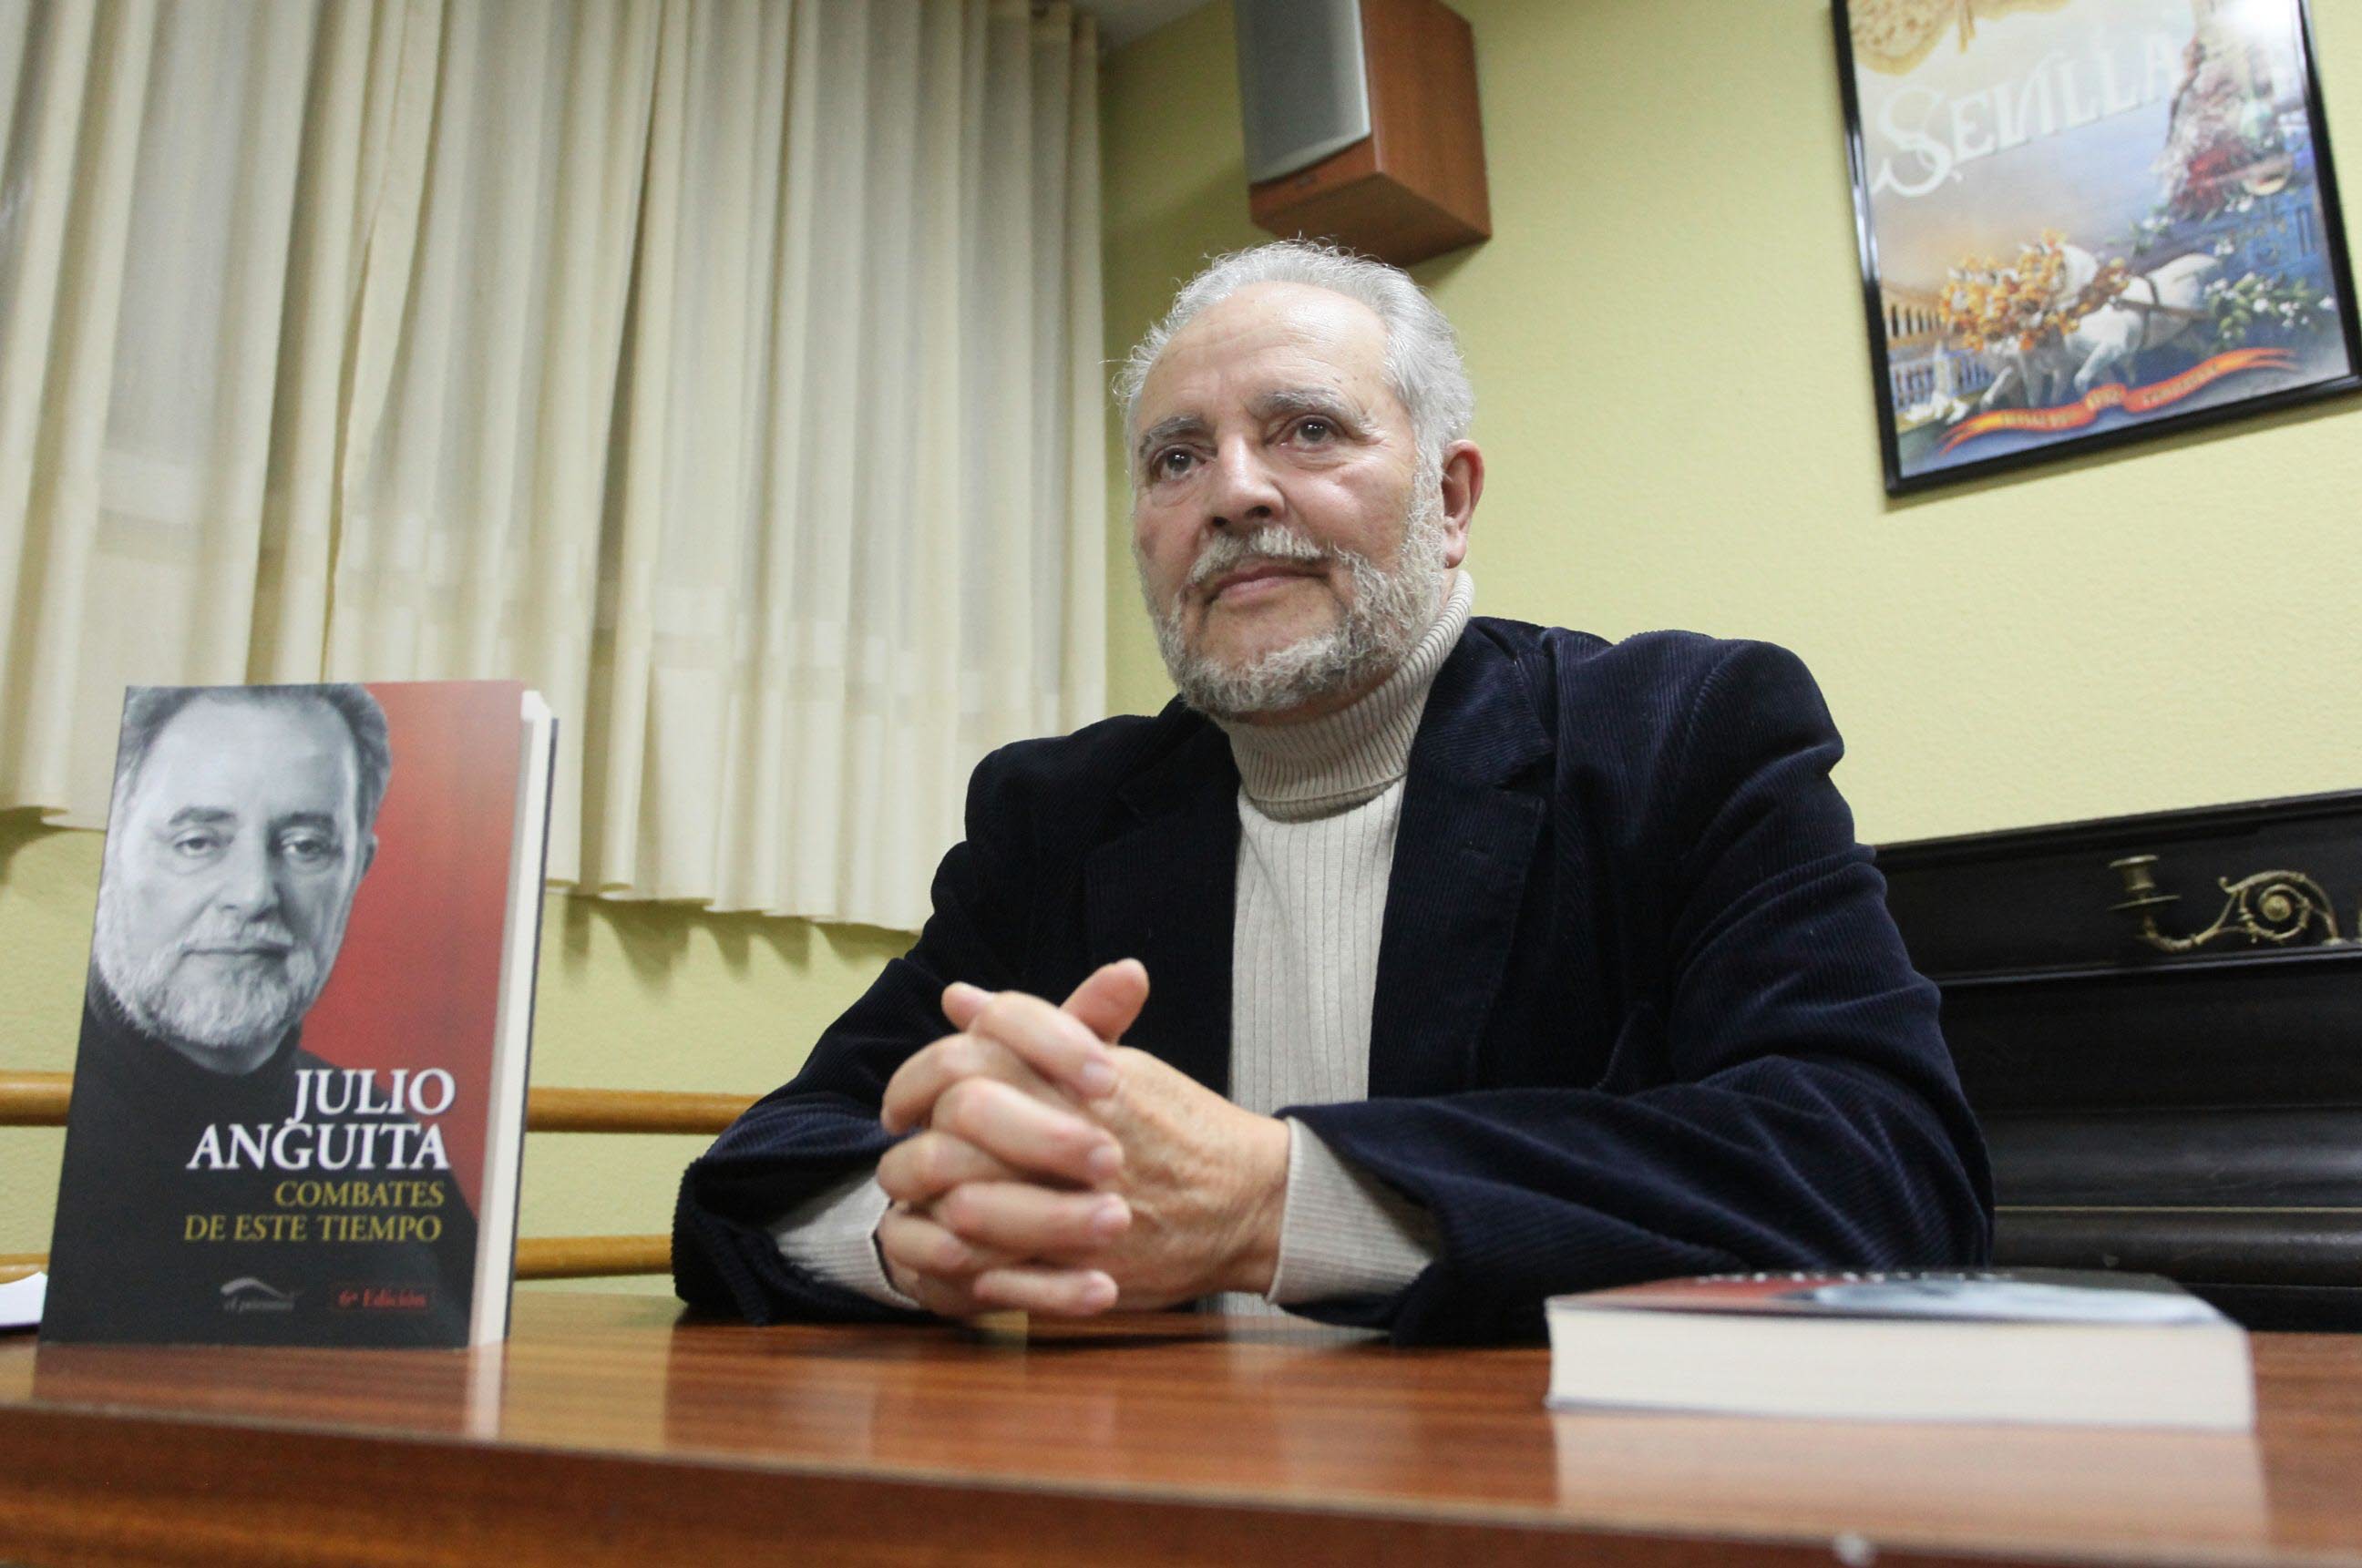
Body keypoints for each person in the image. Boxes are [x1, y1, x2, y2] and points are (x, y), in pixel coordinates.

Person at [673, 242, 1992, 1344]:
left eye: (1306, 429)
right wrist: (924, 1237)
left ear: (1450, 498)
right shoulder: (1055, 816)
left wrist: (1276, 1200)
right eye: (1176, 458)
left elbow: (1884, 1178)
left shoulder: (1686, 738)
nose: (1235, 491)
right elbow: (746, 1186)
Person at [43, 685, 477, 1344]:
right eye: (196, 841)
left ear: (358, 867)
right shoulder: (39, 1117)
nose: (253, 894)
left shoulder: (379, 1136)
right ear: (113, 851)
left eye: (305, 845)